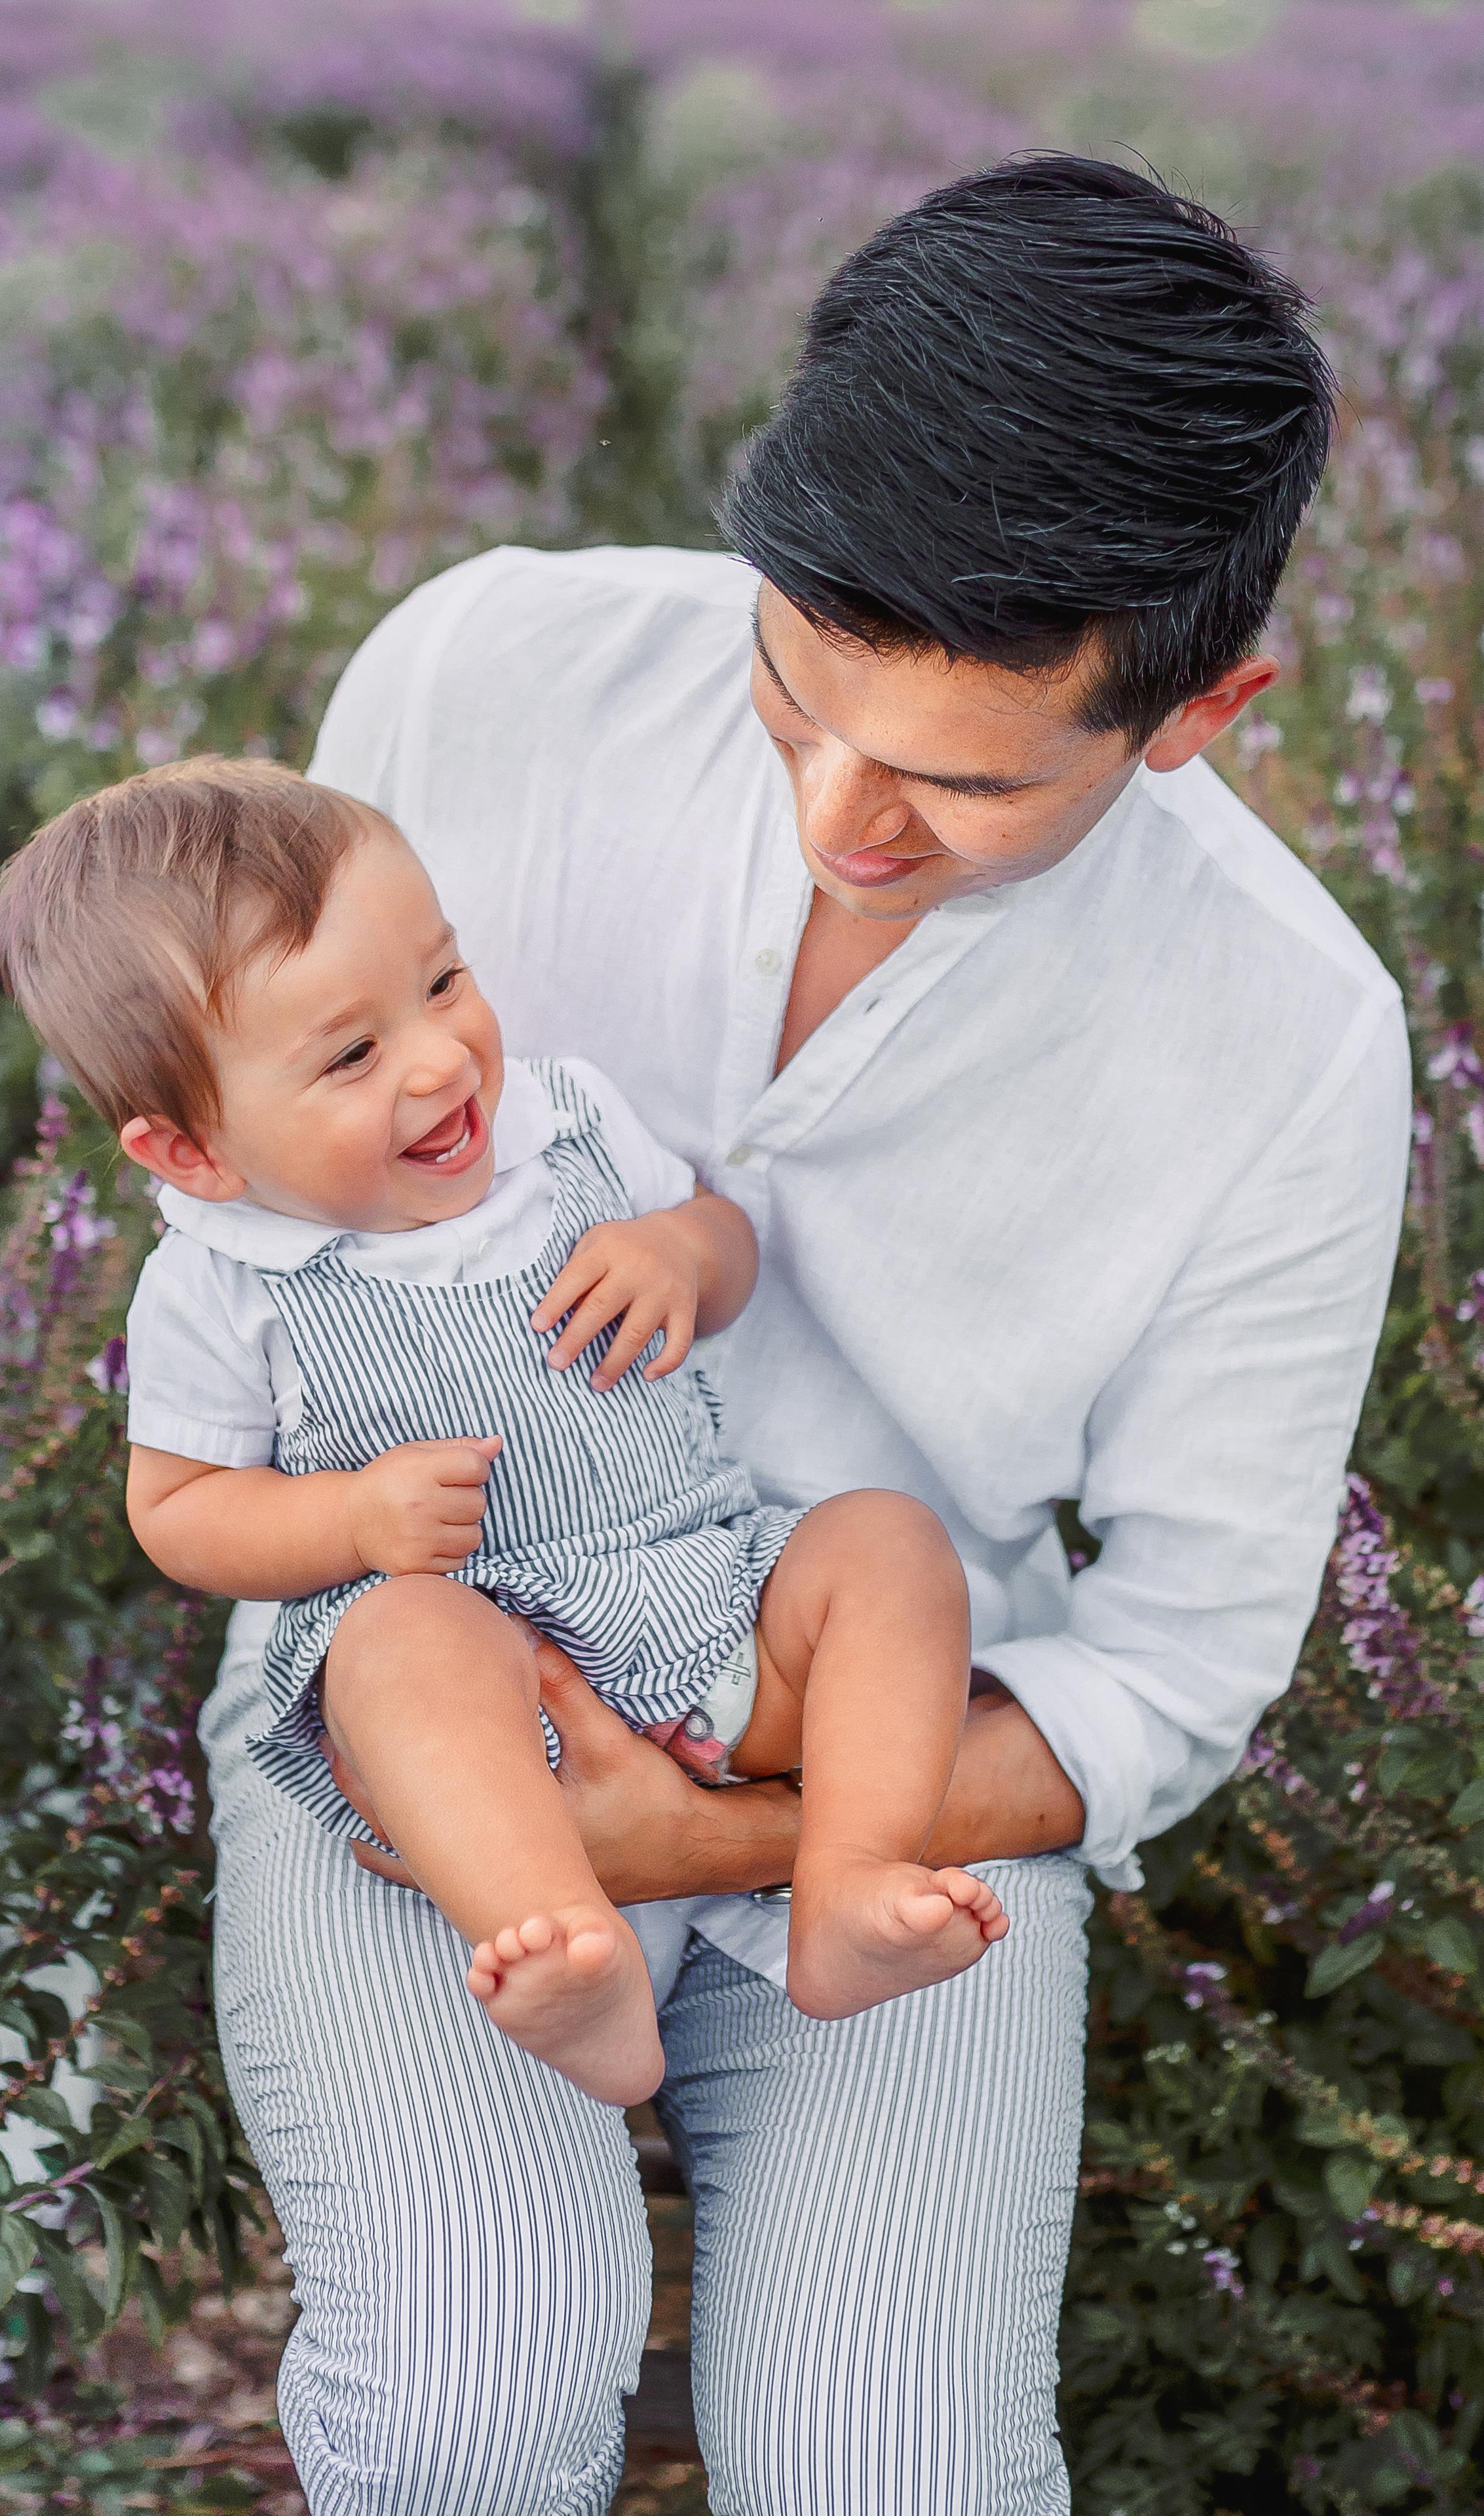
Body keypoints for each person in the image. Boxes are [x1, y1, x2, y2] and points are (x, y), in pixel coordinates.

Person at [193, 158, 1410, 2513]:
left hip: (896, 1766)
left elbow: (1170, 1663)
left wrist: (712, 1817)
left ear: (1201, 707)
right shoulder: (480, 670)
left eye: (960, 784)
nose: (844, 815)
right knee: (462, 2412)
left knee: (902, 2475)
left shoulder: (1290, 1039)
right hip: (423, 1696)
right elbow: (279, 1194)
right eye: (792, 700)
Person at [0, 759, 1006, 2108]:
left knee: (883, 1545)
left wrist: (678, 1254)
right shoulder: (221, 1284)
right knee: (395, 1643)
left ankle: (845, 1880)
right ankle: (564, 1947)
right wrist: (344, 1522)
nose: (436, 1057)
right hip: (490, 1691)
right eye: (350, 1055)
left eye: (443, 982)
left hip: (710, 1599)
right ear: (195, 1154)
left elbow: (723, 1243)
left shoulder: (565, 1123)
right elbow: (176, 1508)